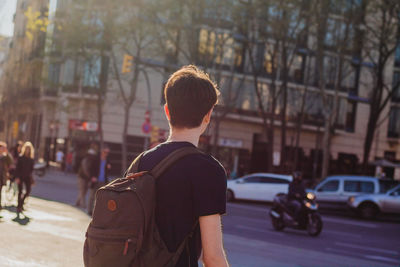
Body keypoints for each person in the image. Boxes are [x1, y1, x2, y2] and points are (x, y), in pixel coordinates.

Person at [136, 65, 229, 267]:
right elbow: (212, 257)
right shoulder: (209, 171)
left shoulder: (142, 161)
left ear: (167, 111)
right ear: (208, 115)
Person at [87, 147, 111, 215]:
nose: (106, 154)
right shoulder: (96, 159)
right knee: (92, 196)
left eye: (107, 153)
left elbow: (108, 172)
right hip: (95, 181)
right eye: (105, 152)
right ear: (102, 152)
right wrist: (92, 177)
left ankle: (97, 212)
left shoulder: (108, 161)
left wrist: (109, 168)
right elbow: (90, 169)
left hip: (103, 181)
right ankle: (89, 210)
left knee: (100, 197)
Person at [15, 142, 35, 213]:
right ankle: (18, 206)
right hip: (20, 176)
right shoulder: (20, 157)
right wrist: (17, 177)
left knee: (28, 191)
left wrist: (32, 179)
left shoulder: (31, 159)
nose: (27, 150)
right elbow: (17, 168)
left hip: (27, 177)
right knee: (20, 191)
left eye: (29, 149)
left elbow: (32, 170)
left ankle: (21, 203)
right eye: (26, 149)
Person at [0, 141, 14, 209]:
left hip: (2, 177)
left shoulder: (5, 157)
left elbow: (11, 161)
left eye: (4, 148)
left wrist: (7, 152)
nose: (2, 149)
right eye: (2, 148)